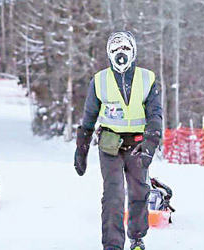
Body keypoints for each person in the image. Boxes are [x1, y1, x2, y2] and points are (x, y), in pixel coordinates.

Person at [74, 31, 162, 250]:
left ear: (133, 52)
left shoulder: (147, 78)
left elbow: (155, 115)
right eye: (115, 50)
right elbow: (89, 117)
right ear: (108, 54)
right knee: (113, 195)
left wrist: (151, 143)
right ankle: (113, 245)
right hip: (110, 144)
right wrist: (81, 149)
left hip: (139, 144)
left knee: (139, 191)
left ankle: (137, 237)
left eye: (124, 49)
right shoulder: (100, 80)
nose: (120, 54)